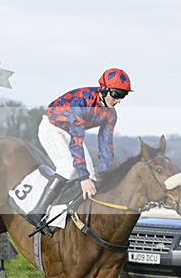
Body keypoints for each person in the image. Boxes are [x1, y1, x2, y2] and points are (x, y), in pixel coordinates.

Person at [27, 68, 134, 235]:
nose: (119, 100)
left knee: (91, 175)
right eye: (116, 94)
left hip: (71, 132)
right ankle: (38, 211)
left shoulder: (111, 114)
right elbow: (77, 141)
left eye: (123, 95)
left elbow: (106, 146)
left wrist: (105, 177)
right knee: (68, 168)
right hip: (52, 127)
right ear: (104, 89)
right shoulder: (81, 101)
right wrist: (82, 178)